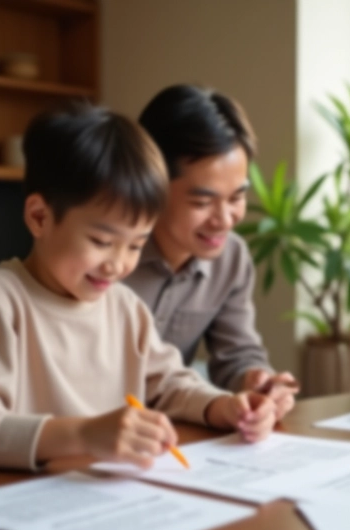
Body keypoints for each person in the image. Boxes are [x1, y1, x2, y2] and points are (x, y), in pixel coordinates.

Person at [0, 104, 277, 470]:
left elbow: (169, 383)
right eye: (102, 242)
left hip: (107, 493)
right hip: (22, 495)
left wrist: (222, 406)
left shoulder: (125, 308)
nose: (117, 265)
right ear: (39, 217)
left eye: (136, 245)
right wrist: (83, 435)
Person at [127, 84, 296, 419]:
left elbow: (236, 355)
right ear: (151, 185)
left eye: (237, 197)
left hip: (173, 430)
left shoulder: (231, 259)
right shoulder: (106, 260)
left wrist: (256, 381)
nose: (224, 220)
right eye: (202, 202)